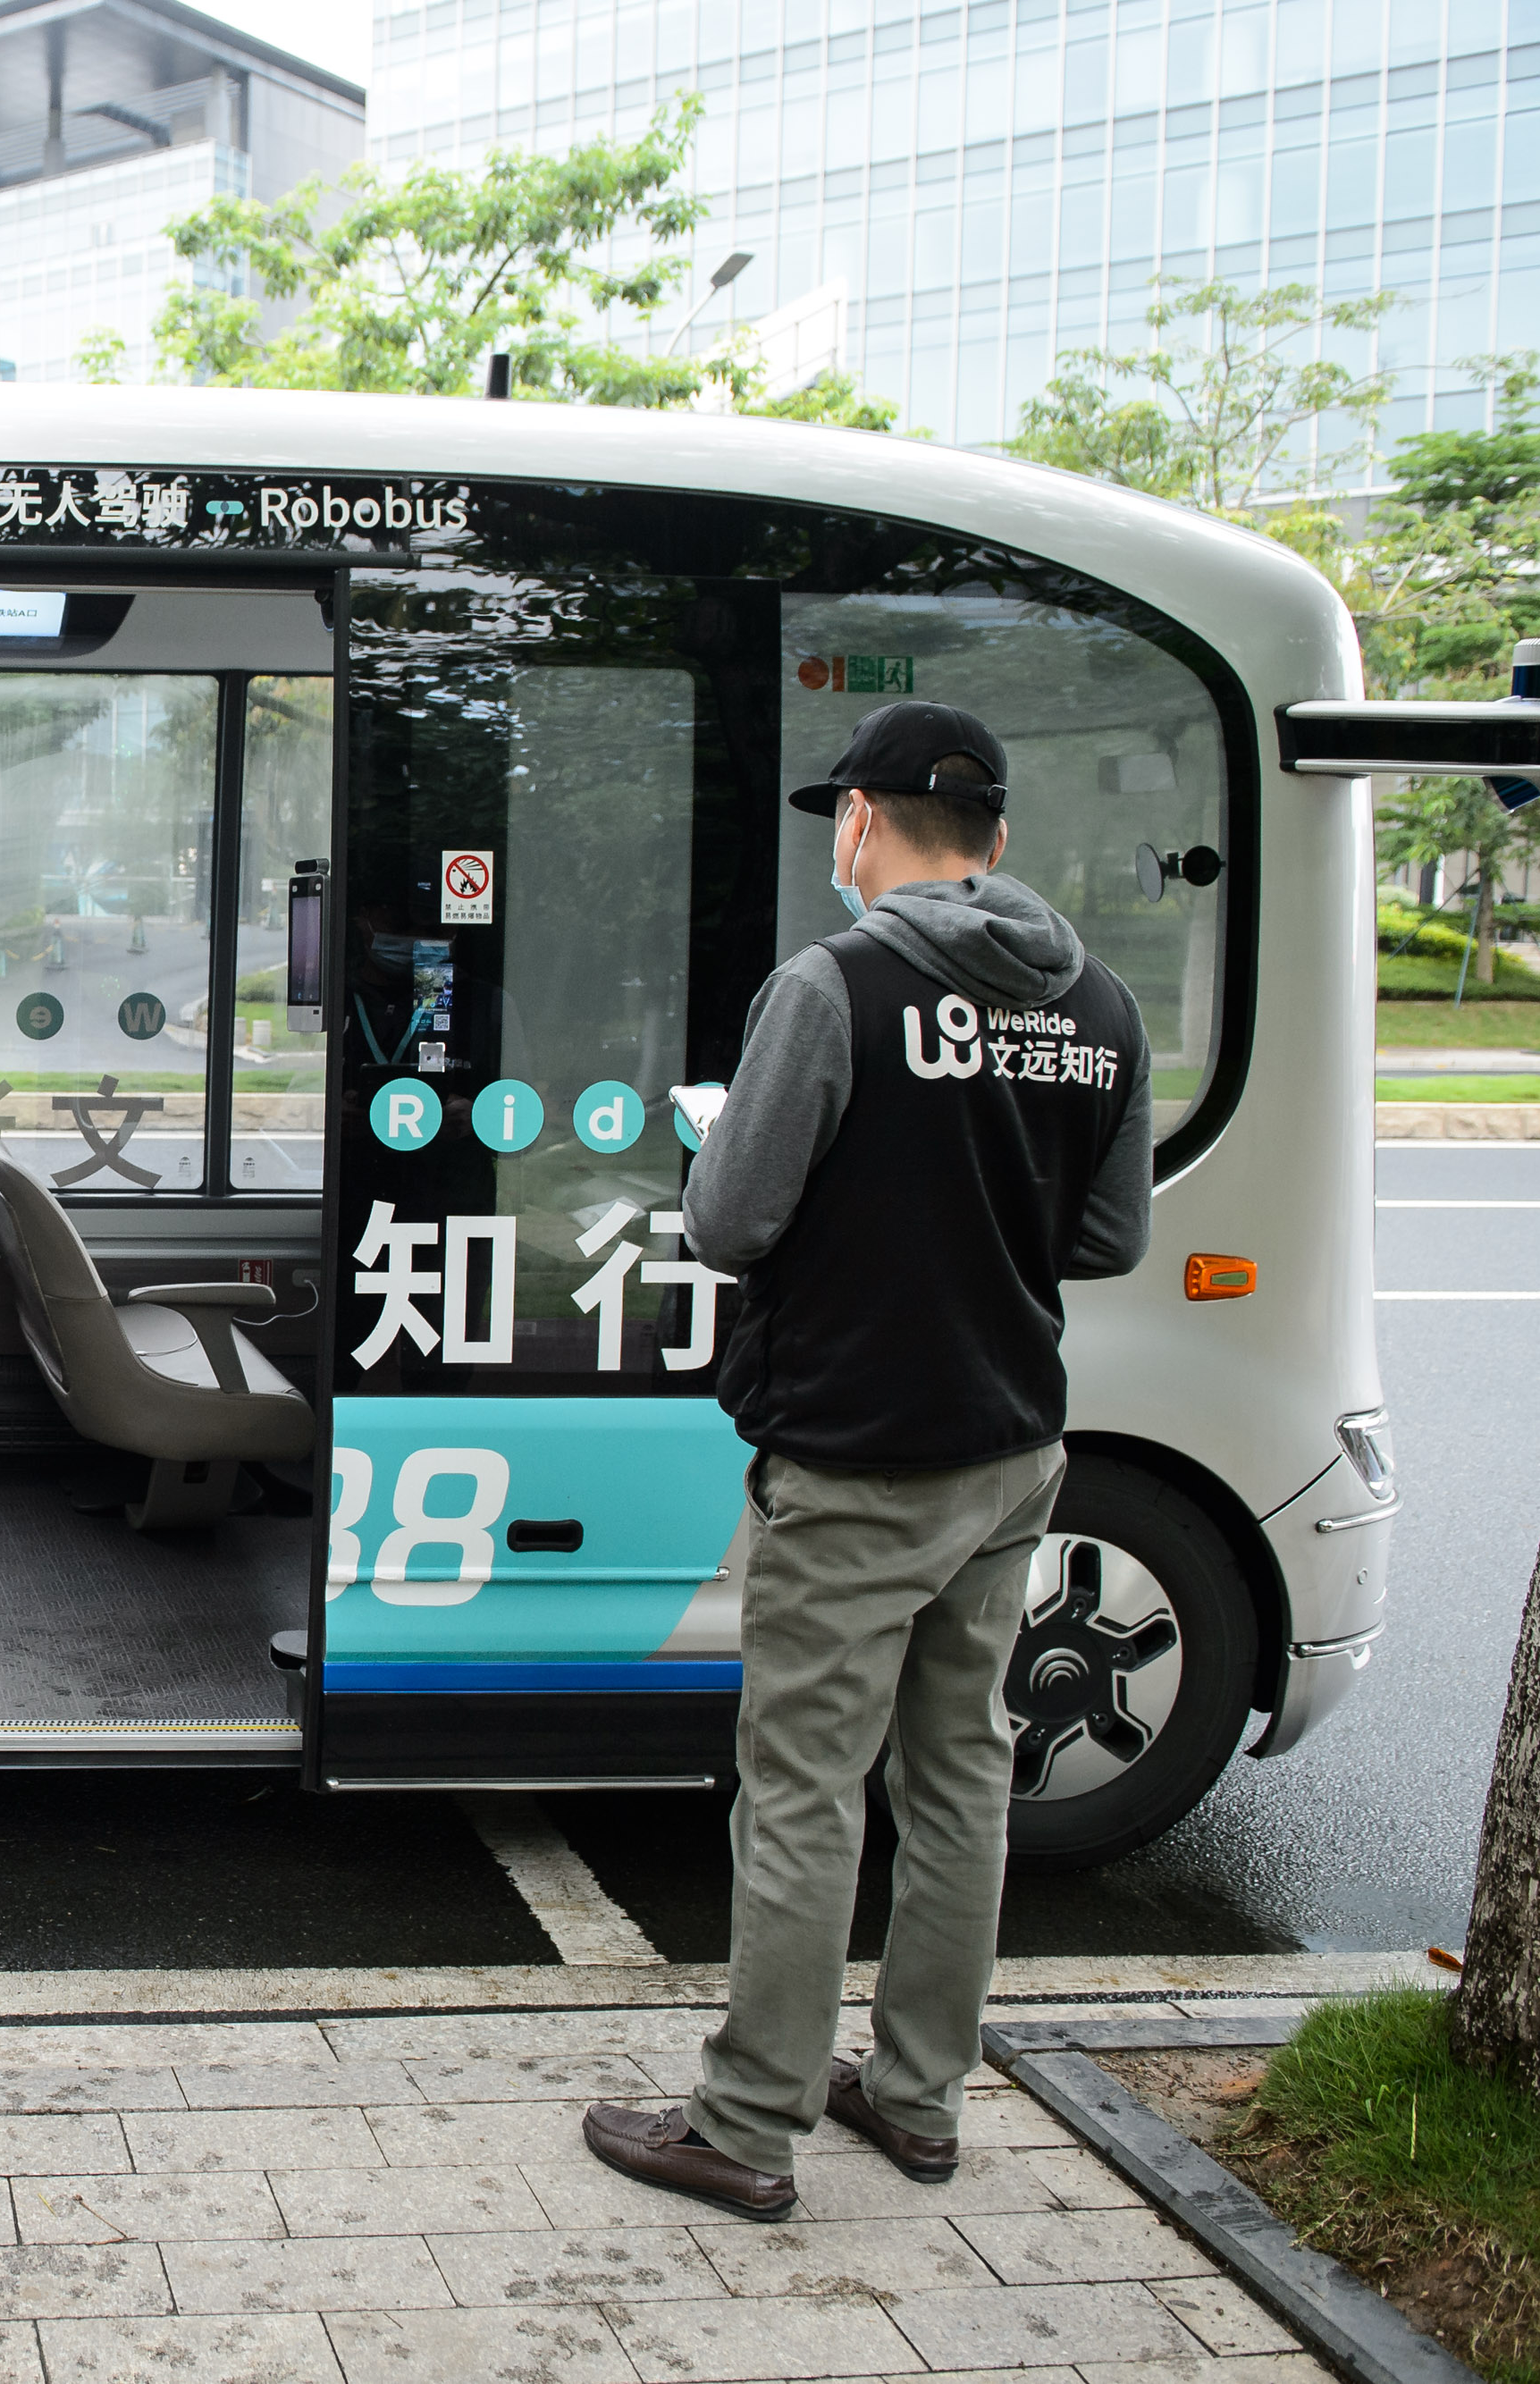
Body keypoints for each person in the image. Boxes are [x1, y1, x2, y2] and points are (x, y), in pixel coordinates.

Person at [580, 698, 1154, 2220]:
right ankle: (916, 2099)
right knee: (960, 1773)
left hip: (856, 1452)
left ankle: (748, 2125)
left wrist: (729, 1139)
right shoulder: (1100, 1002)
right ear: (1001, 840)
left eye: (839, 820)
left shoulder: (834, 987)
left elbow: (729, 1223)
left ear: (860, 824)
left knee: (803, 1789)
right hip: (1011, 1444)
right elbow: (1107, 1235)